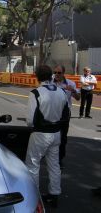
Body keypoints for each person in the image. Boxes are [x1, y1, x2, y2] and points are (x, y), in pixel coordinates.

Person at [25, 65, 69, 207]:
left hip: (40, 134)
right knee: (54, 165)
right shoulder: (61, 91)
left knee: (33, 165)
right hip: (56, 134)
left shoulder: (35, 93)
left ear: (37, 76)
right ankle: (54, 194)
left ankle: (34, 196)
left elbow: (30, 121)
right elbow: (66, 114)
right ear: (51, 75)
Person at [52, 65, 80, 167]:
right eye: (55, 72)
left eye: (59, 73)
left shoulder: (70, 83)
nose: (56, 75)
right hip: (52, 113)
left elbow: (78, 98)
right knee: (51, 136)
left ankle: (60, 159)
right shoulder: (50, 83)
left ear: (63, 73)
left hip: (64, 114)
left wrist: (73, 90)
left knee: (62, 138)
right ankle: (50, 156)